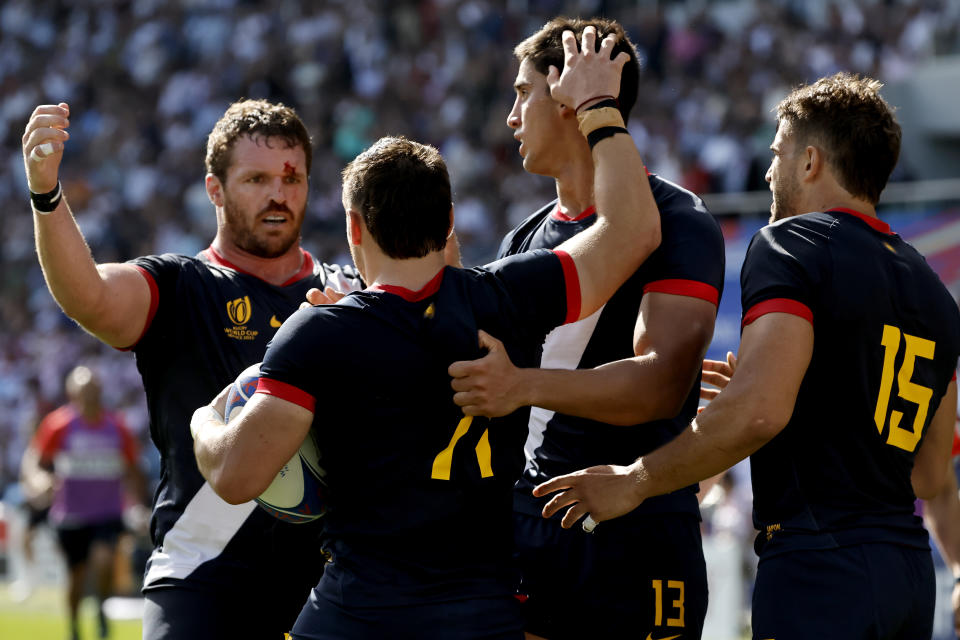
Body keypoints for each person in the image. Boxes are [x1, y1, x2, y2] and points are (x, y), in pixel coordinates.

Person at [192, 27, 660, 638]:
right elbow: (633, 229)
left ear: (355, 230)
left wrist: (208, 417)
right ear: (448, 224)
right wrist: (600, 110)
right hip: (481, 616)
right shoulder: (510, 296)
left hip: (356, 614)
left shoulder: (320, 334)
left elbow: (235, 476)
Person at [535, 71, 960, 638]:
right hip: (906, 573)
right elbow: (931, 475)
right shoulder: (934, 289)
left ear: (810, 161)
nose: (767, 170)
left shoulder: (792, 243)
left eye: (777, 151)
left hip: (819, 570)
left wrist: (634, 479)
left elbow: (760, 412)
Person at [22, 98, 363, 639]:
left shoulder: (350, 291)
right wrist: (46, 194)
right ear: (214, 189)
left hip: (332, 582)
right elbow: (89, 296)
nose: (278, 194)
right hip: (204, 574)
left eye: (292, 178)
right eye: (255, 178)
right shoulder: (180, 285)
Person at [447, 16, 724, 639]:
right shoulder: (525, 237)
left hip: (642, 532)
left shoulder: (680, 220)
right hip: (533, 526)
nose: (512, 117)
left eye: (523, 93)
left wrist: (523, 385)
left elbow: (660, 385)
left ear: (569, 96)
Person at [20, 365, 145, 640]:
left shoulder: (117, 427)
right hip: (70, 513)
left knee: (103, 562)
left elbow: (133, 469)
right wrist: (39, 480)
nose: (89, 396)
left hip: (108, 511)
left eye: (93, 391)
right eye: (83, 391)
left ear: (100, 392)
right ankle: (75, 628)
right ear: (72, 393)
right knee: (76, 577)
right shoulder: (58, 425)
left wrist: (136, 503)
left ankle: (101, 609)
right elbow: (34, 459)